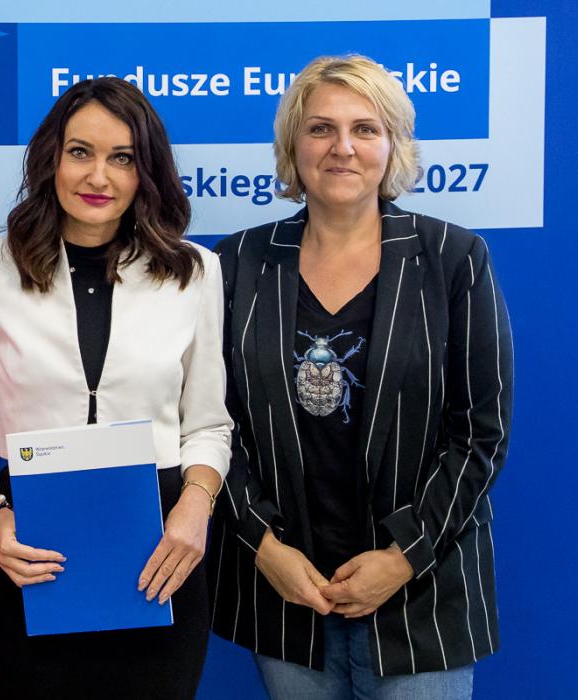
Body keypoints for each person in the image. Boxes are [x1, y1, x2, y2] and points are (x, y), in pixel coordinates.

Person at [206, 55, 513, 699]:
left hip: (421, 595)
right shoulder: (237, 263)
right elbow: (210, 423)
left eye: (365, 129)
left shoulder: (454, 258)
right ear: (293, 146)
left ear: (392, 144)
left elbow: (480, 433)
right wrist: (264, 546)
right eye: (320, 128)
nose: (342, 147)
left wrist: (404, 557)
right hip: (288, 595)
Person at [0, 77, 232, 699]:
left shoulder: (195, 272)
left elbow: (209, 425)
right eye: (80, 152)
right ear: (52, 159)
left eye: (122, 157)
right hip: (29, 551)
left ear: (145, 171)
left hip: (161, 553)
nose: (99, 176)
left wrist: (194, 509)